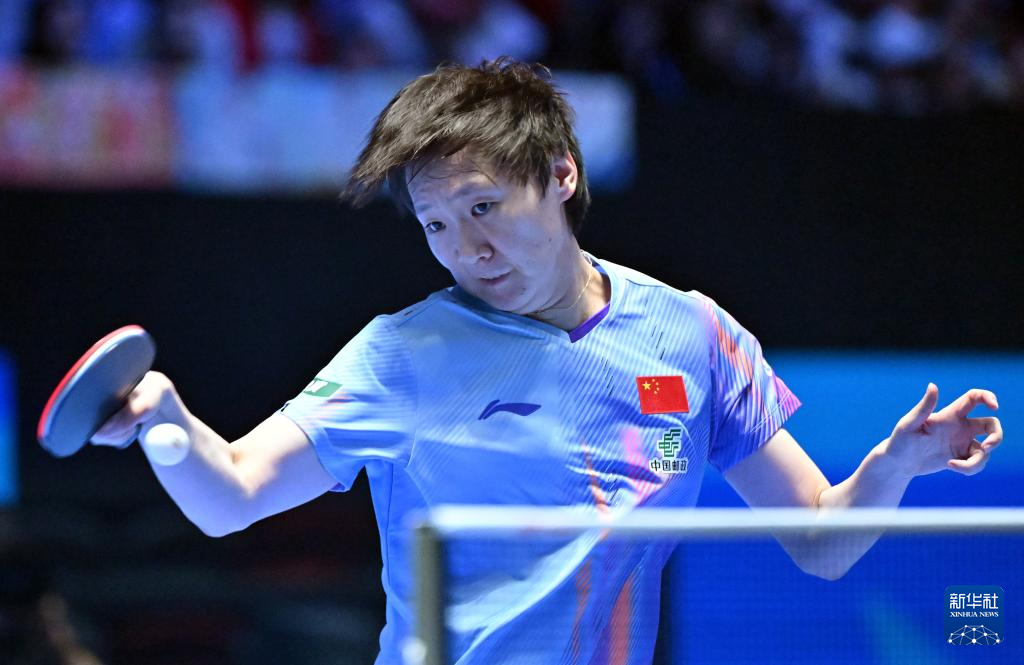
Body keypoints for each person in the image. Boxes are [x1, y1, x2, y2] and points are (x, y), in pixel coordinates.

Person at [90, 58, 1004, 664]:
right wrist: (166, 421)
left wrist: (895, 465)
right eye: (437, 224)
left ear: (561, 173)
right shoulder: (405, 352)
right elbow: (232, 495)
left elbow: (821, 541)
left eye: (483, 207)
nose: (465, 248)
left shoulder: (692, 334)